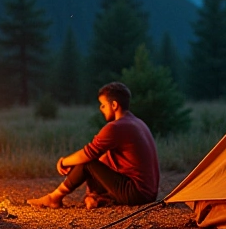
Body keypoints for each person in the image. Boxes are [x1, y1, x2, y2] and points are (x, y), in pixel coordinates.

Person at [27, 82, 159, 209]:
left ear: (114, 105)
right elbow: (104, 159)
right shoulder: (138, 123)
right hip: (148, 193)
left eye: (103, 105)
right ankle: (96, 198)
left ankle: (54, 198)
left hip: (136, 193)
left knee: (88, 163)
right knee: (100, 161)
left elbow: (88, 153)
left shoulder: (116, 127)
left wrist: (63, 162)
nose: (101, 109)